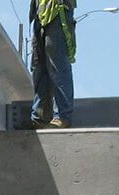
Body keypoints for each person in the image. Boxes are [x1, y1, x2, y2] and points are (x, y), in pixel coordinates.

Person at [30, 0, 76, 128]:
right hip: (41, 13)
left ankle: (62, 116)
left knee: (57, 64)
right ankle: (40, 117)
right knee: (40, 66)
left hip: (58, 11)